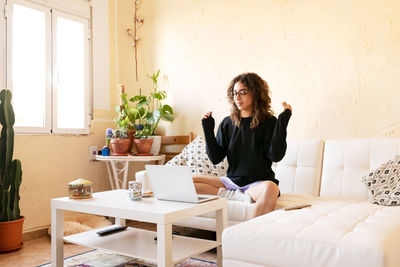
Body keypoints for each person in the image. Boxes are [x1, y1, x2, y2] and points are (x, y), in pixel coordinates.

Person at [193, 72, 292, 218]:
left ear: (255, 93)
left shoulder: (269, 122)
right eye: (234, 93)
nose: (237, 98)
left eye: (242, 93)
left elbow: (276, 156)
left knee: (271, 188)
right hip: (231, 182)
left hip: (257, 183)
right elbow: (215, 158)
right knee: (189, 180)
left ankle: (249, 234)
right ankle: (239, 195)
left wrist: (282, 122)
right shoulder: (227, 123)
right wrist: (207, 128)